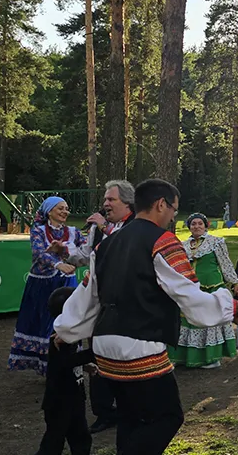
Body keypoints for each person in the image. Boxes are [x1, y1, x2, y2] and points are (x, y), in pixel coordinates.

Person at [53, 179, 238, 455]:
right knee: (168, 417)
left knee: (131, 418)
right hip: (140, 346)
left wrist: (66, 329)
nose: (173, 217)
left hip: (104, 348)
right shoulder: (163, 242)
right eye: (173, 210)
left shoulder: (106, 245)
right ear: (161, 204)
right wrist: (236, 309)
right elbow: (190, 294)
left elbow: (87, 295)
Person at [9, 196, 89, 375]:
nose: (65, 211)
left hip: (66, 283)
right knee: (44, 322)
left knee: (69, 320)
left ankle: (69, 362)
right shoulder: (38, 231)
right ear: (49, 211)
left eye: (66, 208)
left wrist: (64, 251)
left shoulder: (74, 232)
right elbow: (38, 253)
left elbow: (85, 251)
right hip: (42, 284)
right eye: (60, 208)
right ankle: (47, 366)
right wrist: (57, 263)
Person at [81, 180, 136, 434]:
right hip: (101, 301)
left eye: (110, 200)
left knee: (124, 354)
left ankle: (127, 407)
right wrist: (64, 255)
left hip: (127, 304)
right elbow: (87, 254)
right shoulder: (99, 226)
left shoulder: (136, 226)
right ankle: (104, 412)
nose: (105, 204)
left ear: (127, 203)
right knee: (95, 353)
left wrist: (104, 227)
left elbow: (125, 249)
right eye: (104, 200)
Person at [168, 213, 238, 369]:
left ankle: (211, 357)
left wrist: (234, 282)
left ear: (206, 225)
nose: (197, 226)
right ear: (189, 227)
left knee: (210, 320)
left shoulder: (216, 242)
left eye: (200, 223)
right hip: (190, 288)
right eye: (193, 224)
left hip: (211, 287)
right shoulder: (183, 245)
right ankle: (183, 357)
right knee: (188, 319)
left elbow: (225, 263)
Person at [35, 286, 93, 455]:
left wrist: (85, 365)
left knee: (81, 438)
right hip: (59, 402)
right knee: (53, 442)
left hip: (75, 398)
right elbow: (66, 361)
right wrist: (95, 354)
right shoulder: (59, 338)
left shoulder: (71, 334)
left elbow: (69, 361)